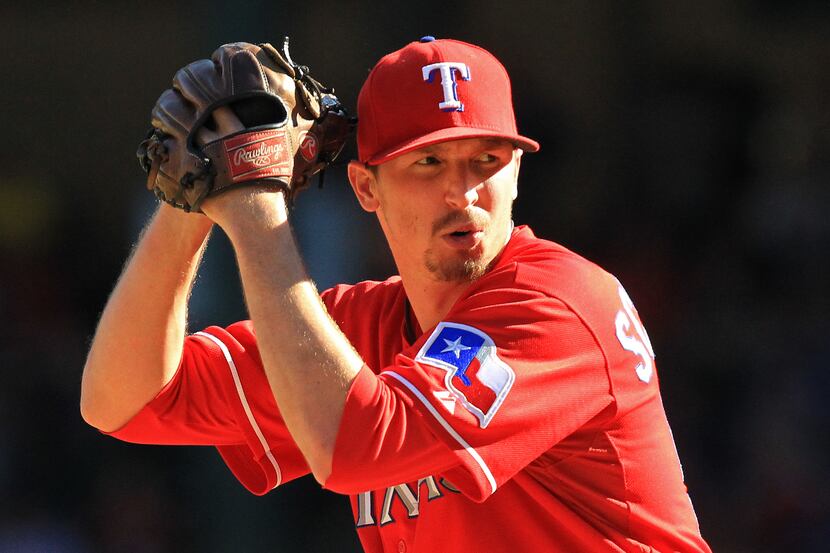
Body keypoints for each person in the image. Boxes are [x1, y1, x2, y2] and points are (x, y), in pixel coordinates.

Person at [80, 36, 712, 552]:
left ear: (518, 173)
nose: (462, 192)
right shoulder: (362, 326)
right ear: (366, 189)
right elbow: (123, 401)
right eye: (428, 164)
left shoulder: (556, 302)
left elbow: (356, 444)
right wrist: (190, 198)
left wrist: (253, 209)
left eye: (486, 159)